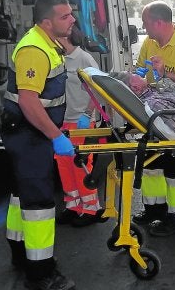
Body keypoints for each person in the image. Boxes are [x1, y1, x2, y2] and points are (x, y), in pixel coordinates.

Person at [0, 0, 76, 290]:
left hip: (29, 132)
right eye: (64, 17)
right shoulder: (34, 49)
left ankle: (20, 255)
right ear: (47, 22)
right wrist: (55, 135)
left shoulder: (47, 42)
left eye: (71, 14)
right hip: (29, 134)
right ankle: (41, 273)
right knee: (39, 205)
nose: (71, 20)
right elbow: (29, 103)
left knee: (21, 197)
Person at [131, 1, 175, 237]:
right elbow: (139, 70)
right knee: (152, 164)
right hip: (154, 112)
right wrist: (138, 77)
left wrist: (165, 73)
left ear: (158, 22)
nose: (144, 27)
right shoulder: (149, 43)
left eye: (146, 22)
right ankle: (154, 210)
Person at [54, 27, 105, 227]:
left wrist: (86, 114)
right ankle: (73, 206)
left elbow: (99, 88)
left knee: (81, 164)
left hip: (80, 120)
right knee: (64, 164)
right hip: (62, 121)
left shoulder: (84, 59)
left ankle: (91, 209)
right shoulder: (58, 59)